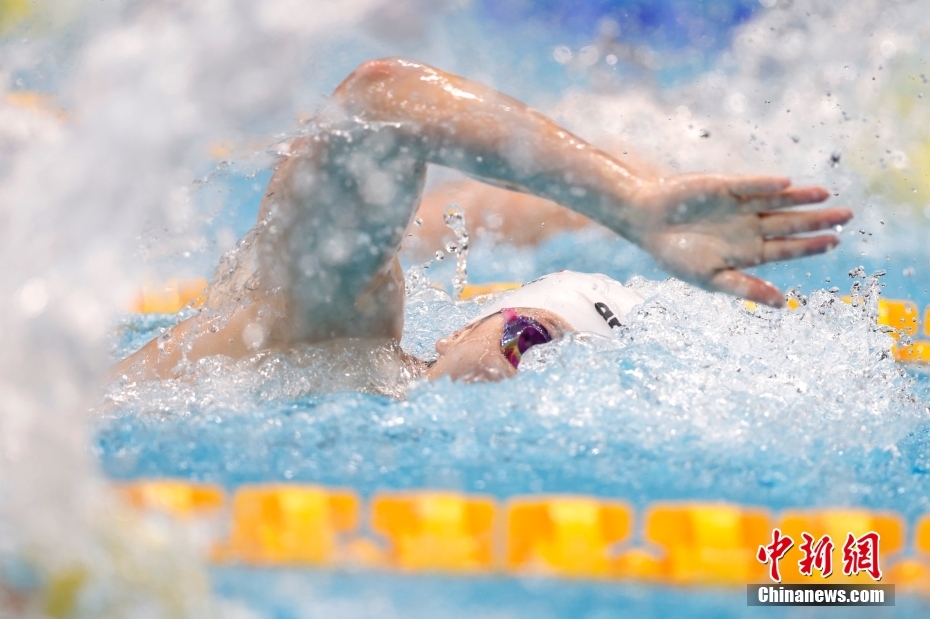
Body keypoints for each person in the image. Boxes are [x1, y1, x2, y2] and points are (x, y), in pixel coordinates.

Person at [111, 57, 852, 386]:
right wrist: (631, 202)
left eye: (549, 372)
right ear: (457, 329)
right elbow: (381, 98)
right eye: (528, 336)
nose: (516, 369)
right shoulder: (335, 329)